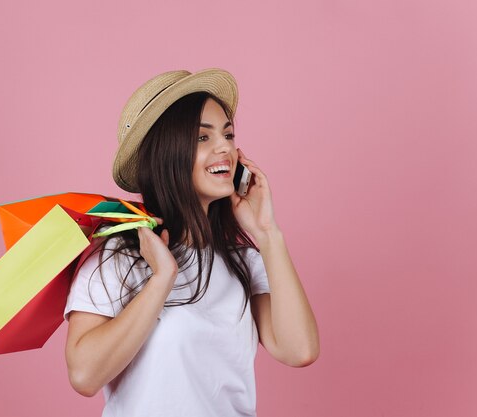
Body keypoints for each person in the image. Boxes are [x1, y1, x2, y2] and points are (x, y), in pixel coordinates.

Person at [63, 68, 319, 416]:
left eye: (228, 135)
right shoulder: (118, 257)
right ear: (167, 154)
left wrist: (268, 234)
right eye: (202, 138)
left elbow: (299, 350)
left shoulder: (243, 261)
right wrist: (161, 278)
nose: (224, 148)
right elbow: (84, 375)